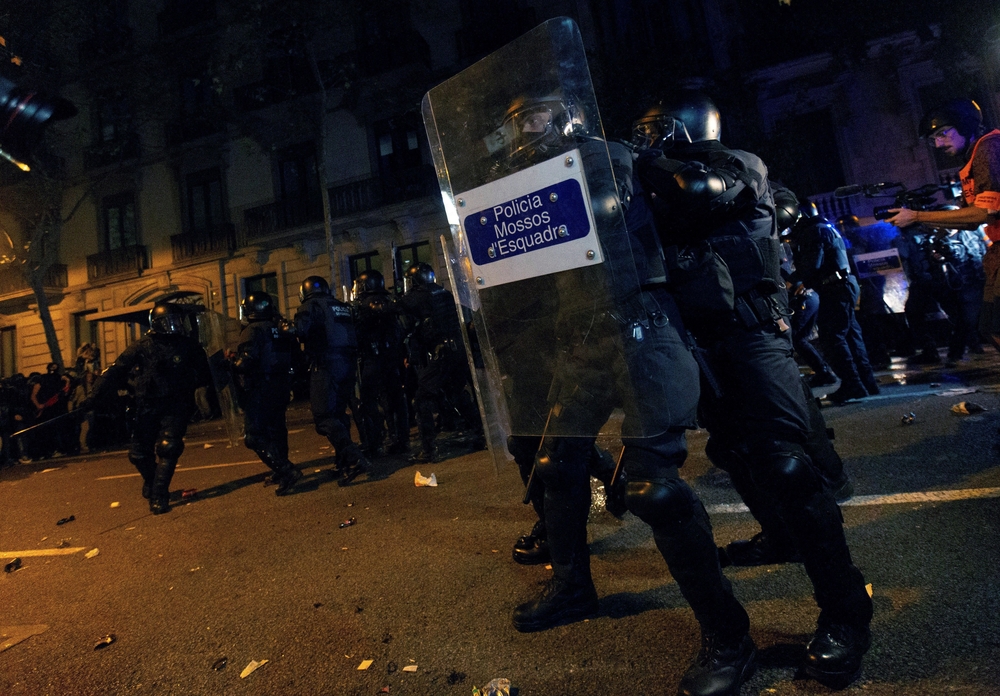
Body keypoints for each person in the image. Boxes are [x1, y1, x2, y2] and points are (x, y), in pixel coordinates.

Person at [493, 90, 755, 696]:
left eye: (533, 117)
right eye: (517, 125)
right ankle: (572, 586)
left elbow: (616, 208)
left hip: (642, 328)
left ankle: (729, 636)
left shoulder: (605, 157)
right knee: (555, 464)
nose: (525, 131)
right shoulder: (525, 185)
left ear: (565, 117)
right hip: (579, 341)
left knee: (652, 489)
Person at [634, 90, 872, 691]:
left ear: (686, 130)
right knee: (719, 462)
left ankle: (846, 614)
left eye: (654, 130)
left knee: (788, 466)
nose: (644, 141)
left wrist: (640, 159)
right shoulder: (650, 186)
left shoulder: (738, 165)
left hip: (753, 330)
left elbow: (697, 191)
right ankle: (728, 635)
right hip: (687, 340)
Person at [887, 99, 1000, 351]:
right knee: (989, 327)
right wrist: (938, 224)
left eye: (942, 134)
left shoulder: (989, 147)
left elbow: (983, 212)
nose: (938, 144)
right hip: (996, 251)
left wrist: (916, 216)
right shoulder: (971, 159)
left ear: (964, 125)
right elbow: (971, 221)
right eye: (933, 139)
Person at [83, 303, 211, 514]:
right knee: (138, 454)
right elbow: (116, 370)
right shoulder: (143, 345)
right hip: (147, 404)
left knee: (169, 447)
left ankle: (159, 495)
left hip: (176, 403)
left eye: (178, 321)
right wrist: (93, 396)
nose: (176, 326)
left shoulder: (188, 345)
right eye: (171, 322)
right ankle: (152, 481)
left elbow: (204, 372)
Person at [786, 202, 879, 403]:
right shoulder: (824, 228)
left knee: (832, 337)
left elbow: (812, 265)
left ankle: (853, 385)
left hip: (834, 287)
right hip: (842, 285)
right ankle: (866, 383)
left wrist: (792, 280)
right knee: (852, 336)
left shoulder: (813, 231)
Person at [398, 262, 485, 463]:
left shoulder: (417, 296)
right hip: (458, 351)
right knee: (456, 393)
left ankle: (428, 449)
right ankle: (481, 433)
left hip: (443, 353)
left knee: (422, 397)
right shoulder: (444, 293)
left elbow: (399, 309)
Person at [293, 275, 367, 485]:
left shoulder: (310, 306)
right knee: (338, 414)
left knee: (324, 417)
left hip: (325, 365)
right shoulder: (340, 305)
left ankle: (355, 459)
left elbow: (300, 330)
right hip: (348, 364)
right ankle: (343, 461)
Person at [232, 292, 302, 495]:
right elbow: (297, 357)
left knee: (254, 436)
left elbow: (246, 362)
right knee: (276, 428)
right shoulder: (280, 327)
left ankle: (287, 470)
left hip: (261, 386)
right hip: (281, 385)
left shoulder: (252, 330)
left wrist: (230, 364)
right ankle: (281, 469)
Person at [351, 270, 410, 457]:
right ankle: (400, 440)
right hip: (391, 357)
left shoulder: (363, 304)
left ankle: (375, 442)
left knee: (368, 403)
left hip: (372, 359)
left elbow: (358, 332)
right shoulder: (390, 300)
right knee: (395, 400)